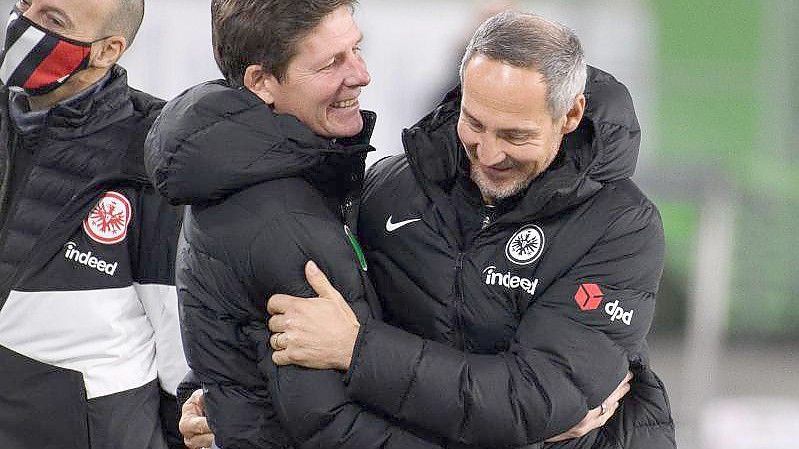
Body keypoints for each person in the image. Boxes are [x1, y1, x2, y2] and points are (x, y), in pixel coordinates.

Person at [154, 2, 632, 449]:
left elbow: (244, 341)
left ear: (571, 114)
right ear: (261, 81)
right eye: (331, 63)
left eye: (356, 49)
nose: (361, 75)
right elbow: (333, 427)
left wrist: (225, 392)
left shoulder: (309, 180)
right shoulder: (295, 209)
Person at [266, 10, 676, 449]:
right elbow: (287, 322)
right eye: (474, 123)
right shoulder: (389, 190)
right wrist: (222, 403)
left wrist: (358, 351)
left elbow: (530, 402)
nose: (489, 153)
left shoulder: (621, 229)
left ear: (571, 114)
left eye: (516, 136)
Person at [0, 1, 189, 448]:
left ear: (107, 50)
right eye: (27, 4)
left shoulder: (153, 157)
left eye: (53, 20)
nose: (25, 23)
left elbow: (182, 346)